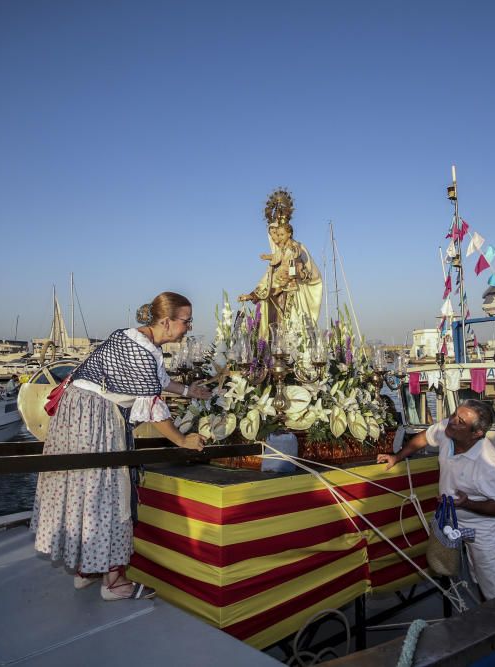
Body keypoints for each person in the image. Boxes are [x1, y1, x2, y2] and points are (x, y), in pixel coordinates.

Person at [31, 292, 213, 600]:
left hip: (79, 415)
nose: (189, 327)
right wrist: (183, 440)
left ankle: (86, 569)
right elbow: (154, 409)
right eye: (186, 321)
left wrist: (188, 391)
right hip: (95, 420)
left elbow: (155, 380)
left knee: (82, 490)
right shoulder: (141, 352)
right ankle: (114, 583)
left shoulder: (134, 339)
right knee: (110, 493)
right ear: (166, 322)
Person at [377, 400, 495, 600]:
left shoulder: (490, 464)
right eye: (454, 415)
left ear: (476, 433)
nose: (451, 422)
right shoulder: (448, 430)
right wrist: (397, 457)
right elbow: (425, 437)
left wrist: (467, 503)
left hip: (487, 531)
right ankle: (484, 619)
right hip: (455, 522)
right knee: (475, 576)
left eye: (460, 421)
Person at [238, 189, 322, 340]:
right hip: (277, 295)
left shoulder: (296, 248)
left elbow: (311, 273)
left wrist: (298, 273)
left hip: (293, 295)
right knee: (274, 328)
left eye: (279, 234)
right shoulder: (277, 258)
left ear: (288, 233)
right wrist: (251, 295)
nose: (276, 239)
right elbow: (267, 281)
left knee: (293, 332)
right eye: (273, 235)